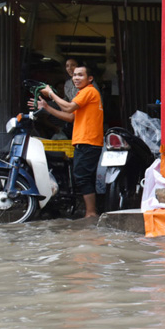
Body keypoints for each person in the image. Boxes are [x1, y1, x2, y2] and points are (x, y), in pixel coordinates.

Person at [35, 65, 103, 218]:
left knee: (82, 176)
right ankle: (90, 211)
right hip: (83, 141)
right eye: (74, 75)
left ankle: (91, 213)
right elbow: (71, 117)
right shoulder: (83, 93)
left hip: (89, 141)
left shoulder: (89, 91)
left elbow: (69, 107)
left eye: (80, 75)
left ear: (89, 79)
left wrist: (51, 94)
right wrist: (47, 107)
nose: (76, 78)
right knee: (80, 176)